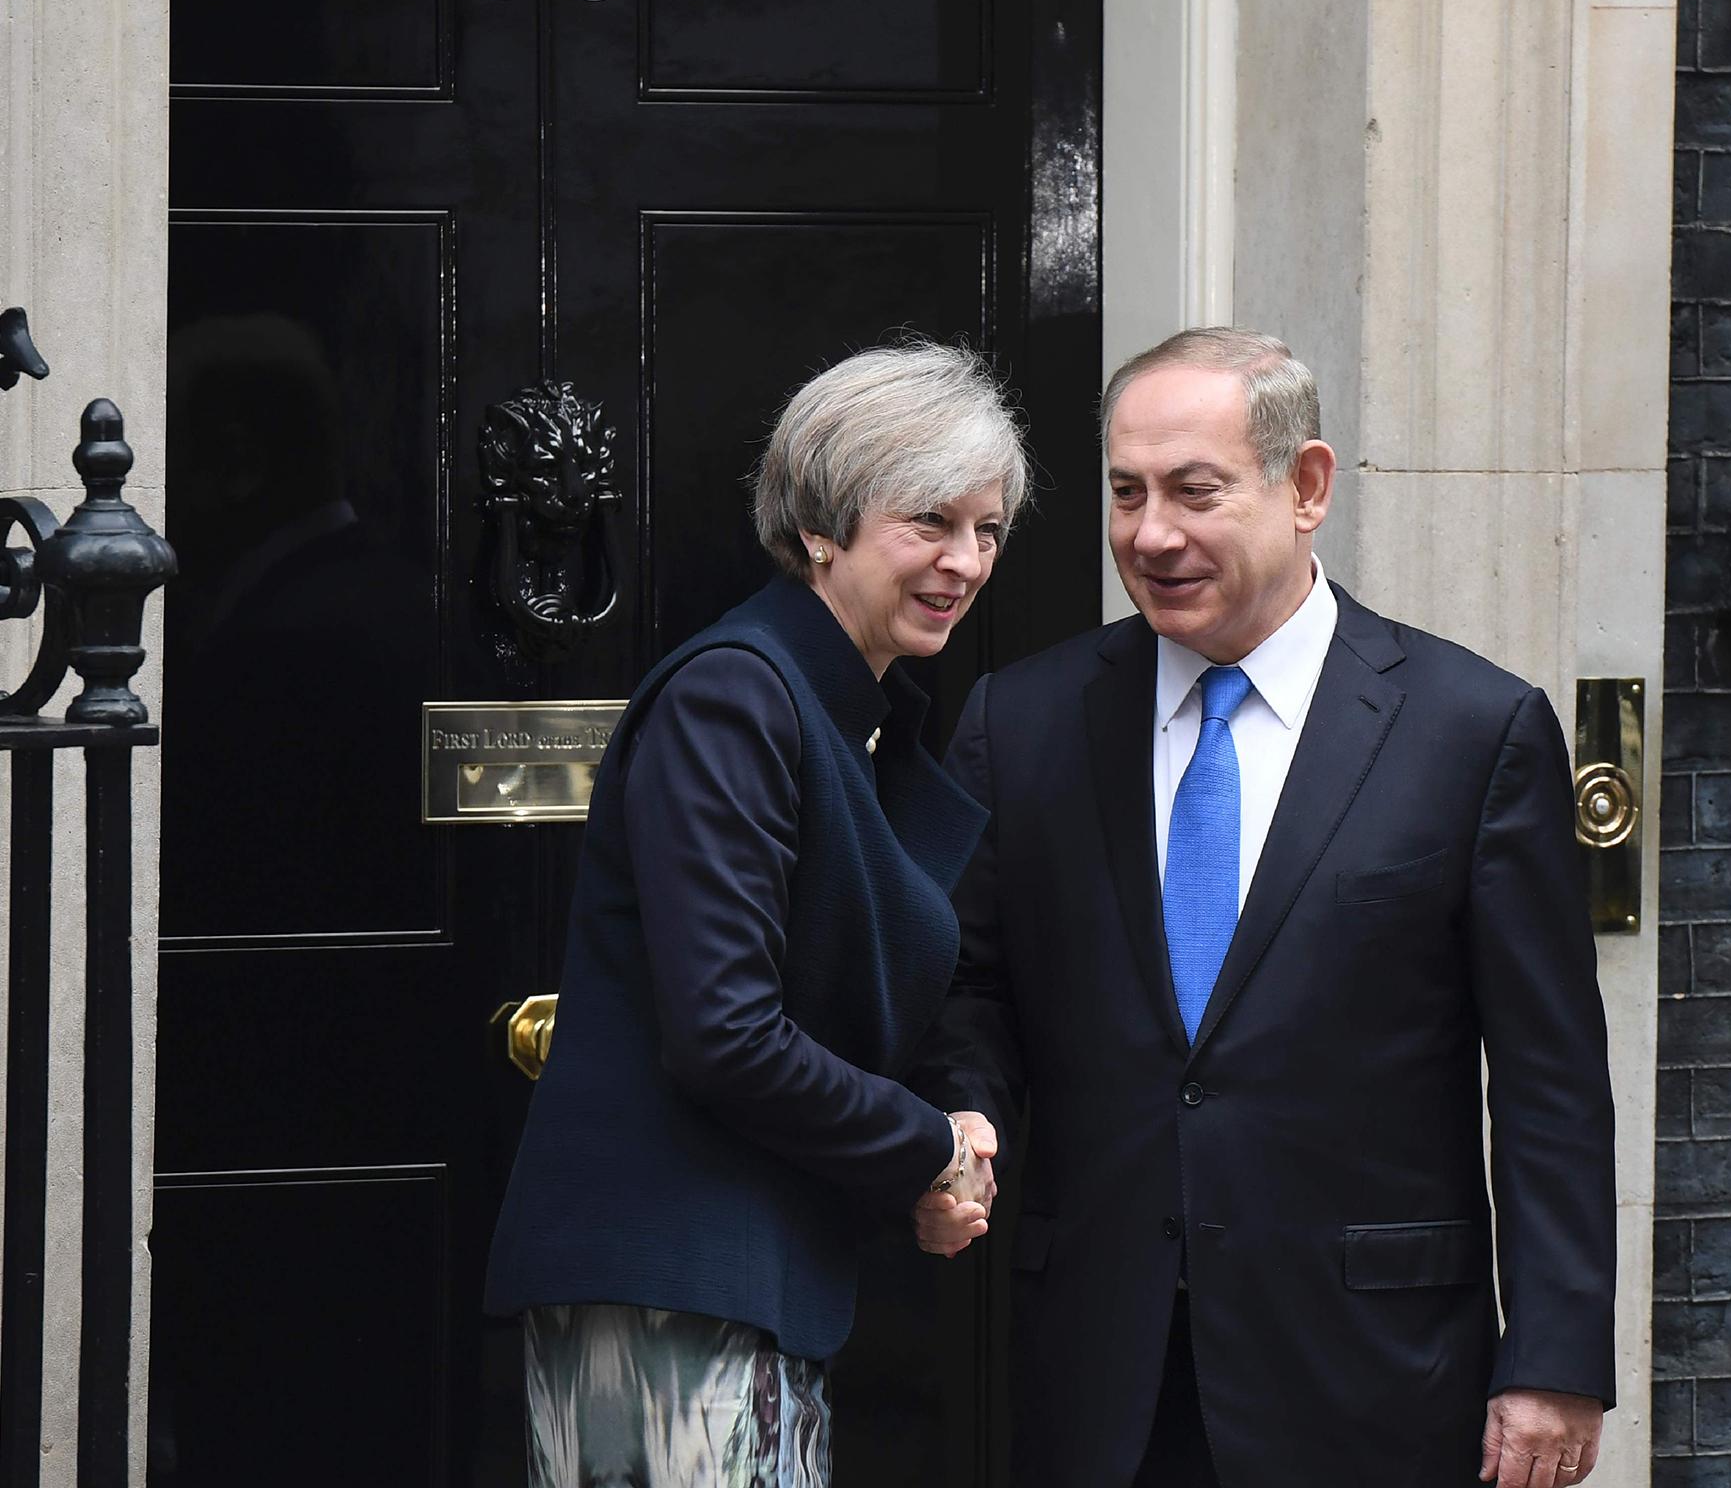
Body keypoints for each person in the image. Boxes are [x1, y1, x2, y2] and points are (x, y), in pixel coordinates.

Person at [910, 327, 1616, 1488]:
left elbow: (1548, 1081)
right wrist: (964, 1120)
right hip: (1101, 1369)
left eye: (1193, 492)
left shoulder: (1469, 731)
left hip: (1371, 1373)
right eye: (1125, 492)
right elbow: (971, 983)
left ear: (1306, 487)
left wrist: (1552, 1360)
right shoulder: (1021, 720)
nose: (1150, 535)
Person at [486, 340, 1017, 1486]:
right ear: (820, 523)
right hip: (667, 1281)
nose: (963, 561)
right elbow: (725, 1033)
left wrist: (948, 1128)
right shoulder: (735, 695)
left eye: (987, 530)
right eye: (928, 520)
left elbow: (863, 995)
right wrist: (923, 1148)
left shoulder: (855, 713)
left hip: (745, 1277)